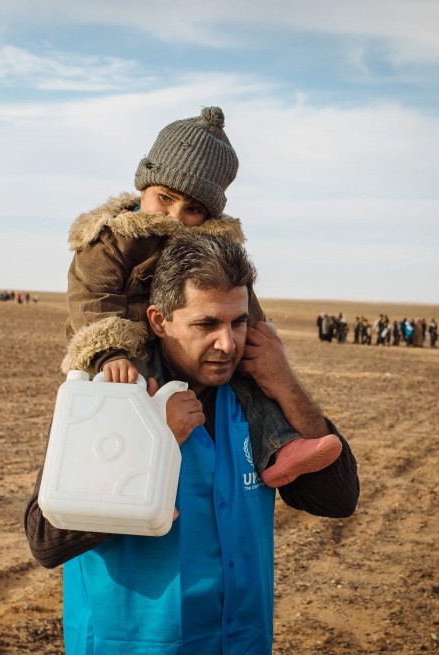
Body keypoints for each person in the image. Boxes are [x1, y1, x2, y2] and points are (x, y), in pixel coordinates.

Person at [26, 234, 359, 654]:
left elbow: (339, 499)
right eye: (206, 324)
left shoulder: (254, 401)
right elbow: (44, 538)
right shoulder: (107, 394)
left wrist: (287, 385)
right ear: (159, 320)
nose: (228, 344)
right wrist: (154, 444)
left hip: (239, 642)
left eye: (238, 323)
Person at [61, 107, 340, 489]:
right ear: (144, 185)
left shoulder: (216, 248)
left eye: (193, 209)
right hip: (125, 351)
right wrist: (111, 352)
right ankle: (138, 486)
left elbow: (243, 304)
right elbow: (91, 298)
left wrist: (259, 345)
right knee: (126, 401)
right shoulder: (112, 238)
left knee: (250, 378)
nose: (176, 216)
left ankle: (281, 449)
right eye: (165, 198)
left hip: (187, 353)